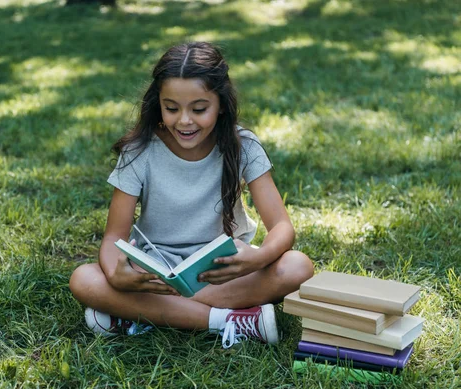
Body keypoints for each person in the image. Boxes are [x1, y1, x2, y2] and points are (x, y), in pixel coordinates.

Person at [69, 42, 314, 348]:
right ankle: (230, 322)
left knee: (297, 266)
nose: (184, 120)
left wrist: (257, 259)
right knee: (84, 279)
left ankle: (142, 314)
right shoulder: (139, 152)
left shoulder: (243, 146)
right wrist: (117, 275)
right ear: (158, 103)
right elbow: (112, 237)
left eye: (199, 109)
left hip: (222, 273)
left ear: (221, 104)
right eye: (171, 108)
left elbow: (282, 227)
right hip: (155, 276)